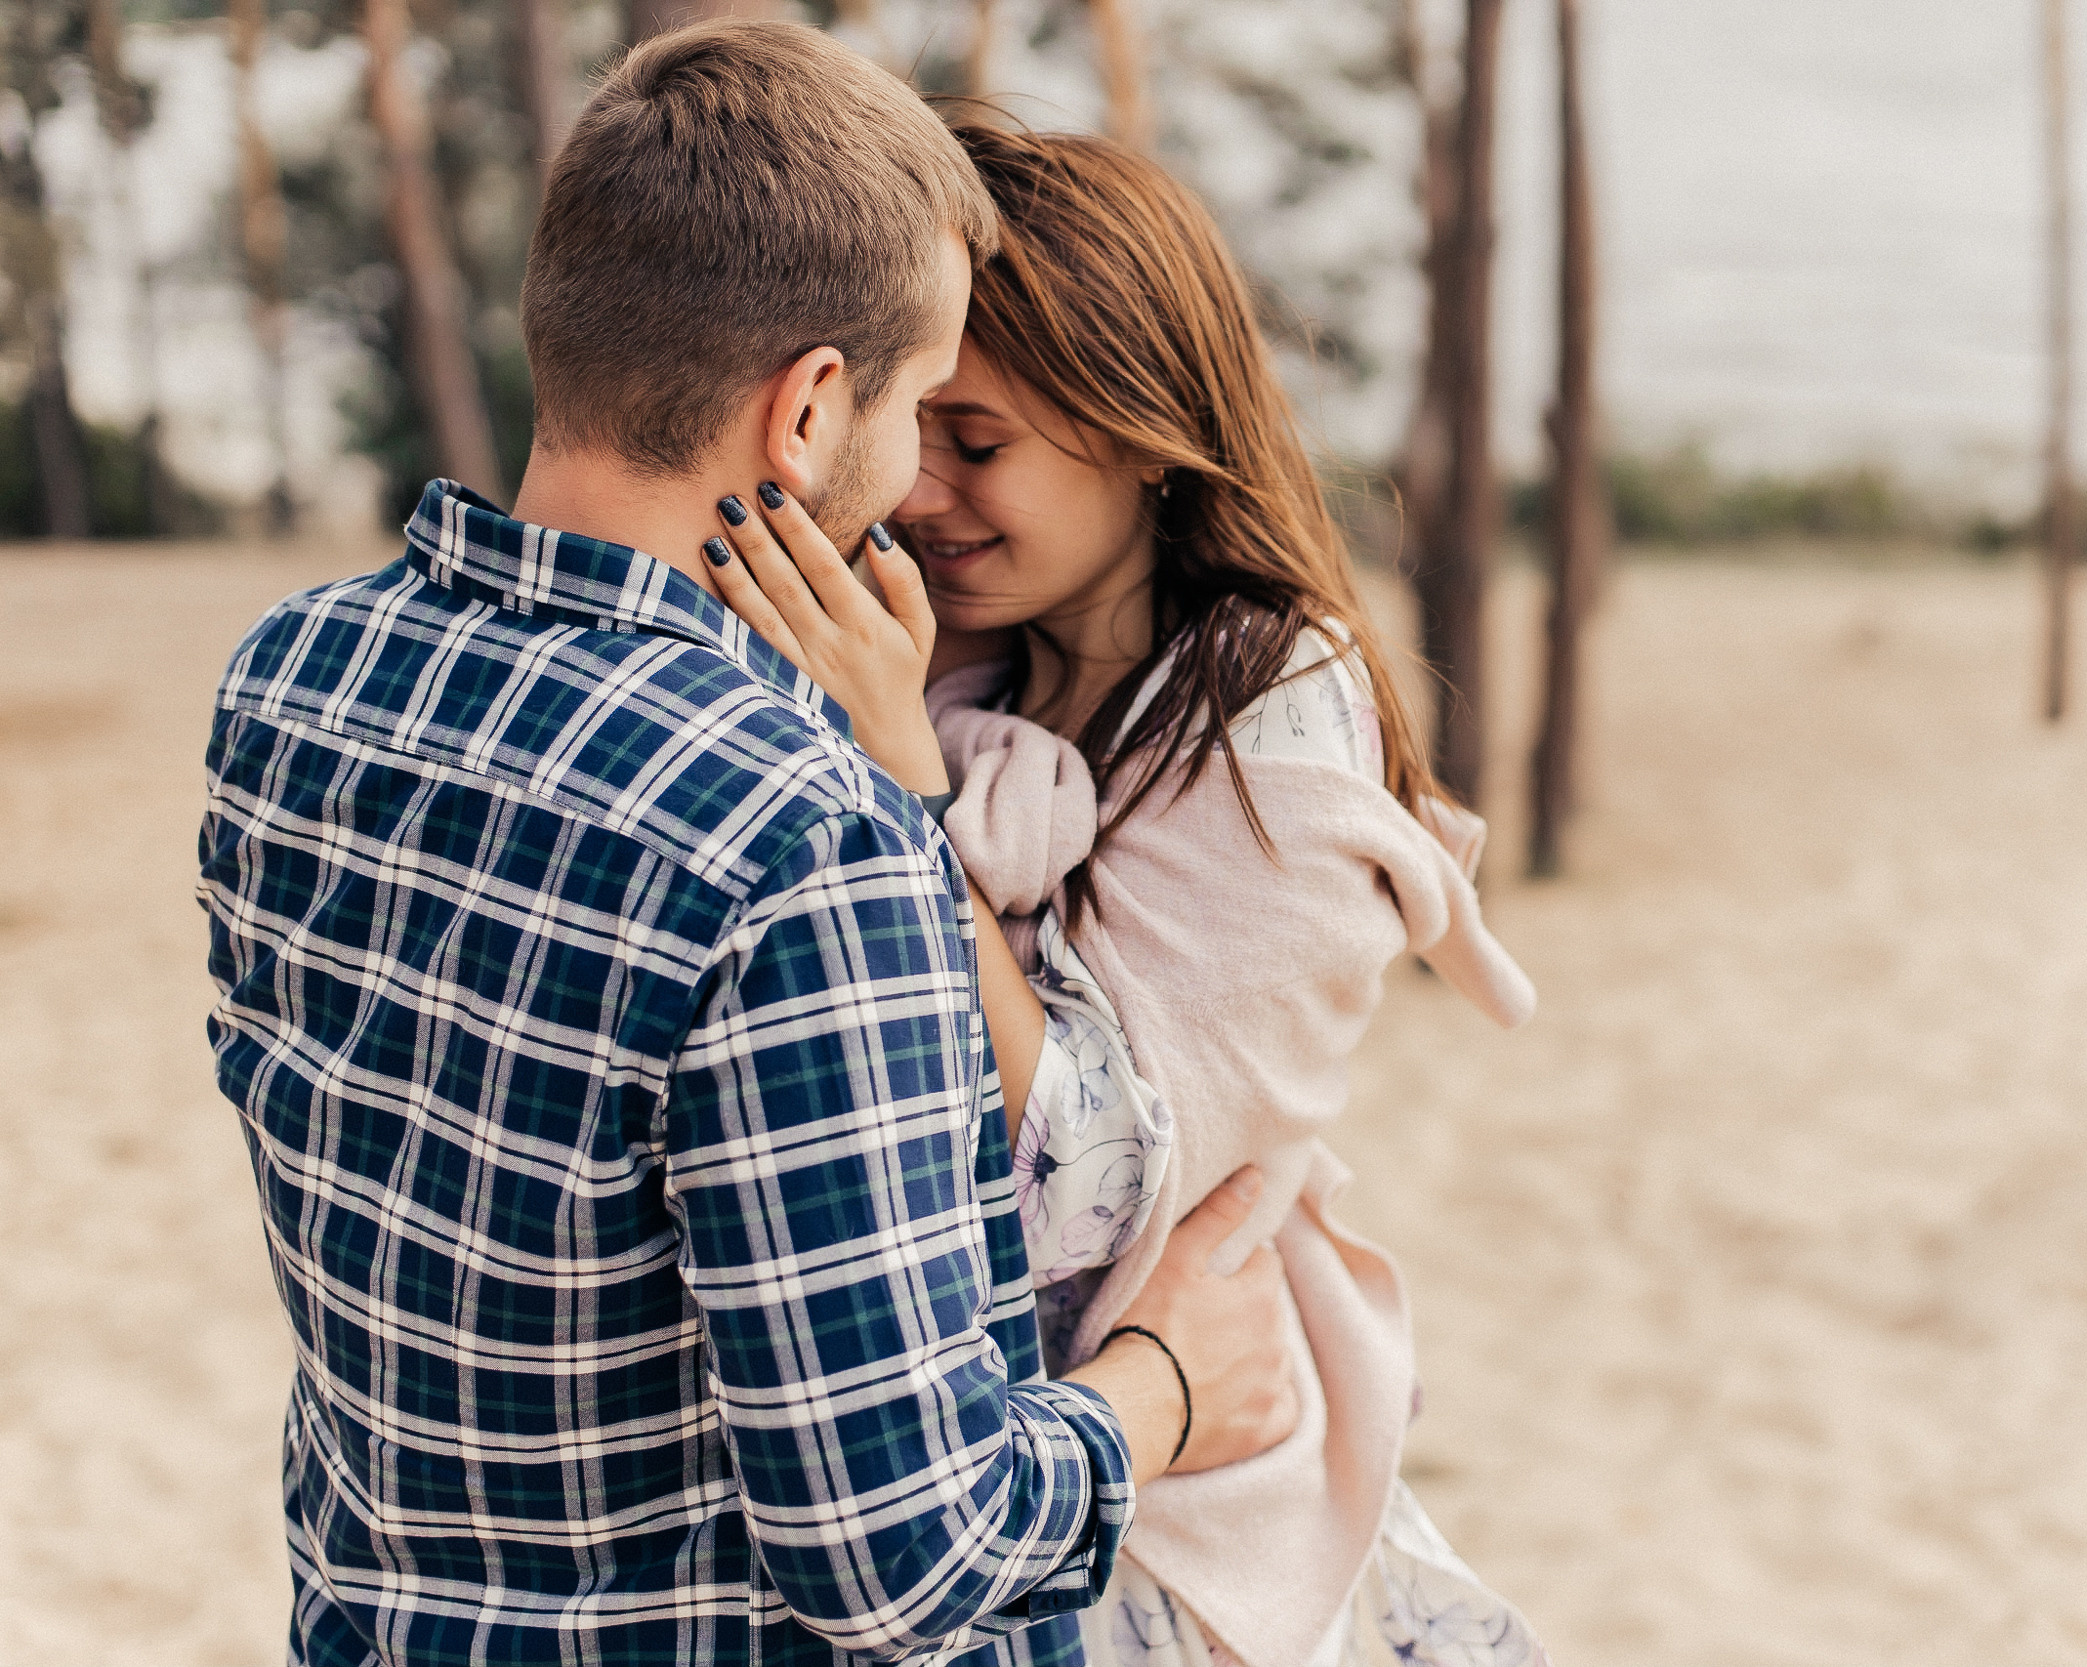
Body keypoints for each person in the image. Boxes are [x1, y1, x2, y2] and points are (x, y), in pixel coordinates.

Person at [196, 26, 1301, 1667]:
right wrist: (1166, 1389)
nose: (913, 476)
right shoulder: (808, 834)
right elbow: (899, 1563)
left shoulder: (297, 679)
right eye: (918, 404)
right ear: (809, 408)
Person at [705, 125, 1549, 1667]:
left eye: (980, 443)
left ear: (1145, 429)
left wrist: (900, 792)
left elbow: (1093, 1183)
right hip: (980, 1454)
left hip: (1155, 1488)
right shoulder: (949, 647)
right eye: (908, 428)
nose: (923, 491)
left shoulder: (1270, 723)